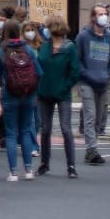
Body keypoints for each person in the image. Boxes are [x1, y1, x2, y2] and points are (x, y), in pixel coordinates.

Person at [0, 19, 42, 181]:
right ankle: (28, 170)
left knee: (11, 133)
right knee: (26, 131)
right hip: (29, 95)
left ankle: (13, 172)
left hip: (9, 95)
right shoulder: (28, 49)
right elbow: (39, 72)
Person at [74, 4, 110, 165]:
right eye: (100, 14)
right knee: (90, 115)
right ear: (93, 17)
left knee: (99, 118)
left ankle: (91, 149)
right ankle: (92, 150)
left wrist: (108, 74)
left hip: (103, 83)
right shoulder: (83, 37)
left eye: (105, 13)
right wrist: (85, 74)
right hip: (86, 82)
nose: (103, 16)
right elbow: (77, 59)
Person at [36, 17, 81, 178]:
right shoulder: (44, 46)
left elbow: (75, 71)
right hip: (44, 92)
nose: (46, 30)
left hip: (62, 93)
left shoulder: (69, 47)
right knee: (45, 129)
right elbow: (38, 67)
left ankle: (71, 166)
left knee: (65, 128)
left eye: (48, 27)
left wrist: (65, 87)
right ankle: (44, 163)